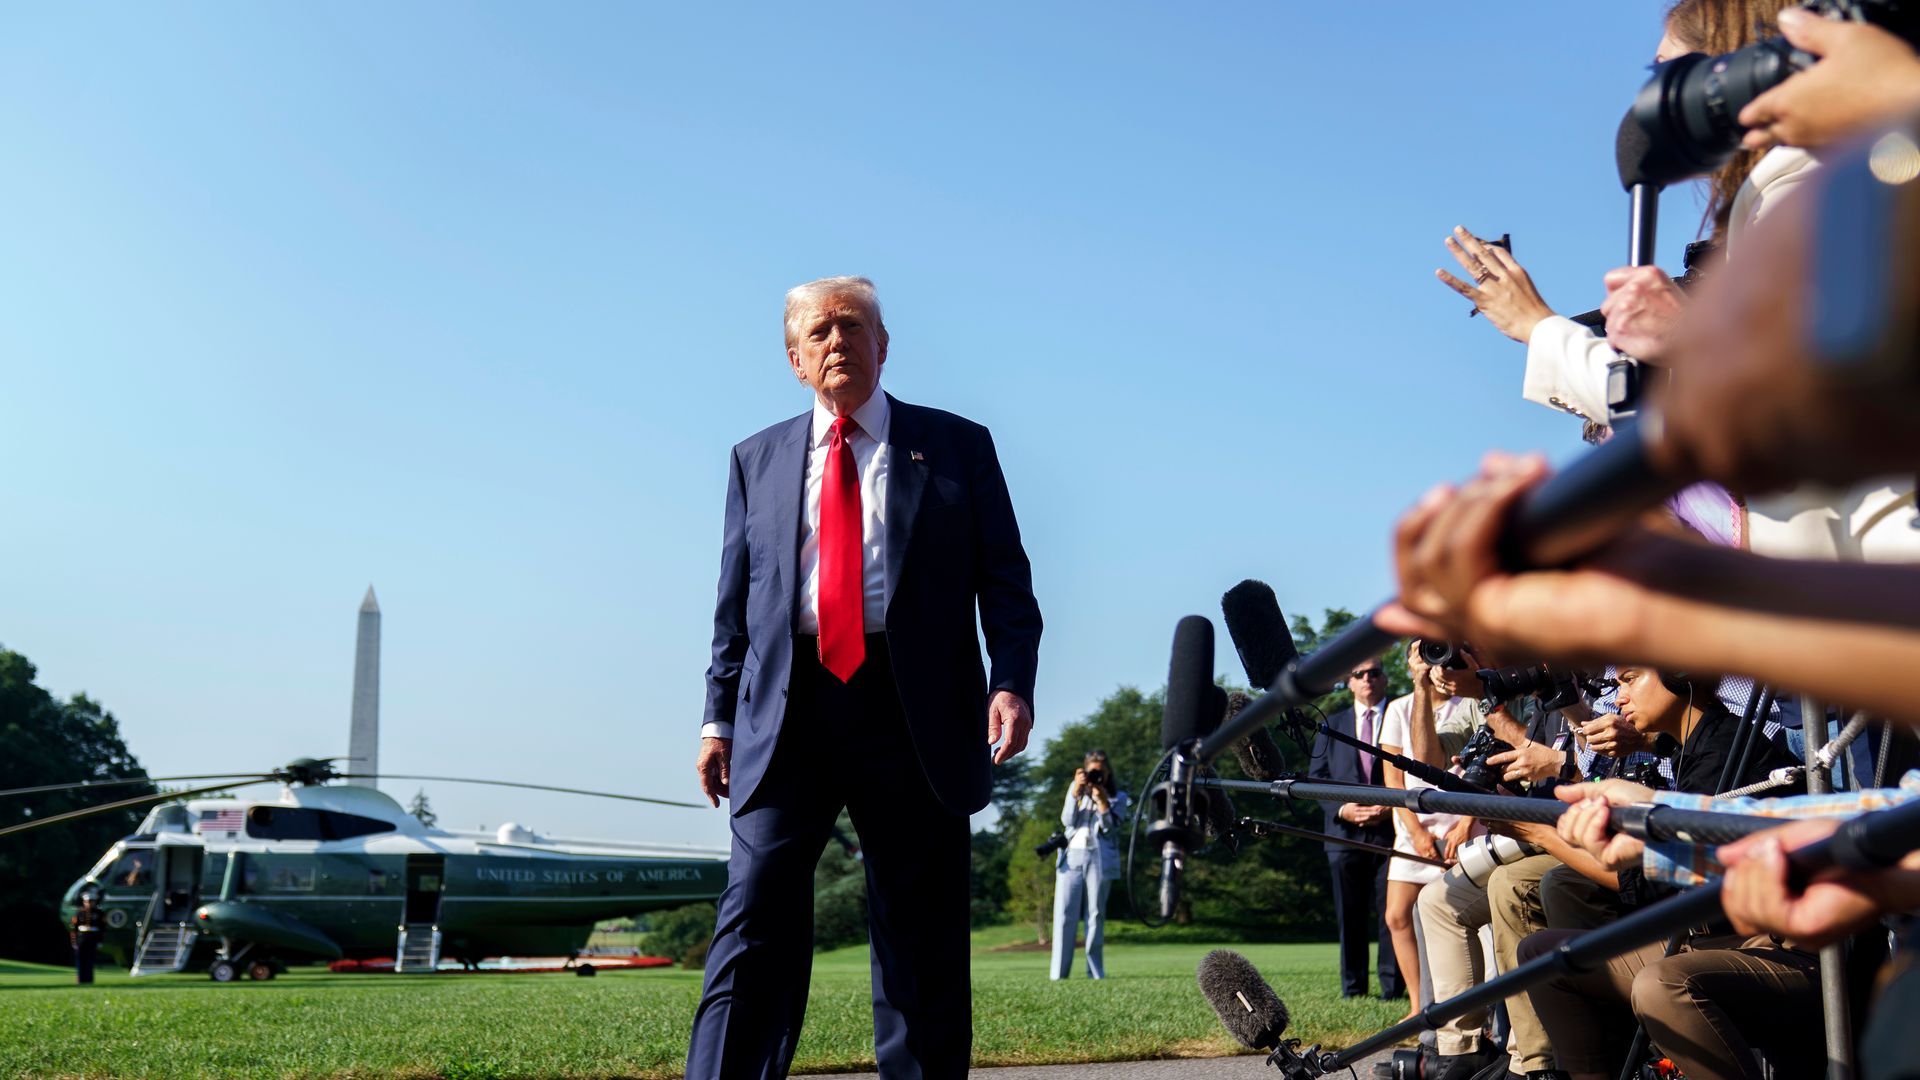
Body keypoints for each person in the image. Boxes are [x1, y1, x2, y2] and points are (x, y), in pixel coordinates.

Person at [688, 276, 1043, 1080]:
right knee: (752, 920)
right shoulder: (757, 459)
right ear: (794, 358)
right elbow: (736, 604)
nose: (837, 341)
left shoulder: (957, 446)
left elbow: (1007, 581)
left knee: (921, 931)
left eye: (854, 326)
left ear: (885, 345)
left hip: (914, 710)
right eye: (819, 332)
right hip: (785, 713)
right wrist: (716, 720)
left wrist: (1011, 680)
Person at [1308, 654, 1405, 1003]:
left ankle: (1393, 991)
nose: (1367, 679)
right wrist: (1343, 809)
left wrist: (1390, 806)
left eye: (1374, 672)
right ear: (1349, 681)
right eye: (1359, 673)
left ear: (1385, 679)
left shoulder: (1402, 717)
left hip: (1390, 832)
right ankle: (1353, 991)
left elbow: (1414, 771)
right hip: (1342, 836)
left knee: (1392, 915)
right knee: (1350, 918)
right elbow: (1315, 780)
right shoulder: (1329, 725)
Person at [1051, 750, 1128, 980]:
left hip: (1099, 857)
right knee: (1064, 914)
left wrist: (1102, 801)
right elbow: (1066, 821)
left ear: (1107, 771)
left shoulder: (1118, 797)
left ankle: (1095, 973)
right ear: (1084, 770)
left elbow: (1110, 829)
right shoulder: (1076, 791)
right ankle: (1059, 974)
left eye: (1100, 771)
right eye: (1091, 770)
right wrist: (1075, 792)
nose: (1096, 774)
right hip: (1071, 856)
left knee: (1095, 915)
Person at [69, 893, 104, 985]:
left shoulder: (99, 913)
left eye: (91, 901)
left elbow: (102, 928)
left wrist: (100, 941)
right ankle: (80, 979)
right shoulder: (79, 913)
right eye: (87, 902)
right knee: (81, 960)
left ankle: (89, 980)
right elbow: (74, 929)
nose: (89, 903)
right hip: (81, 940)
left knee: (90, 960)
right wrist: (74, 942)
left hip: (93, 939)